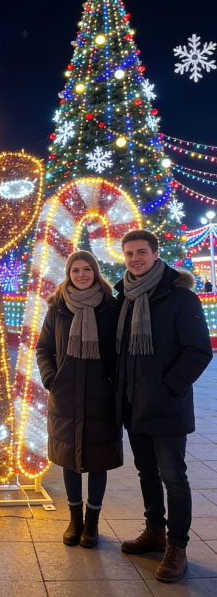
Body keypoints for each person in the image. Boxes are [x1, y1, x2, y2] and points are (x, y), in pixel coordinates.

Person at [114, 230, 212, 583]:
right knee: (147, 473)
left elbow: (199, 350)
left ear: (156, 254)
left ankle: (177, 546)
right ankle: (155, 530)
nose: (135, 259)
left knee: (174, 477)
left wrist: (168, 387)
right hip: (133, 405)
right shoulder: (124, 296)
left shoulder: (180, 297)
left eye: (141, 252)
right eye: (129, 253)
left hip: (167, 407)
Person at [37, 250, 122, 548]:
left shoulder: (111, 306)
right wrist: (52, 379)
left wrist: (112, 382)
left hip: (102, 396)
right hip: (66, 395)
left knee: (98, 460)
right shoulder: (58, 308)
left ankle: (92, 523)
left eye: (87, 269)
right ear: (68, 274)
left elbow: (121, 349)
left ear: (95, 272)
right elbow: (44, 348)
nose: (81, 275)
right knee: (69, 459)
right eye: (75, 270)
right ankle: (75, 520)